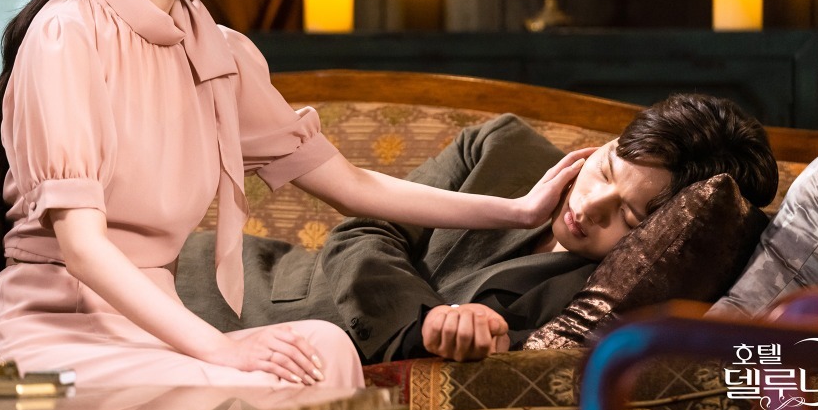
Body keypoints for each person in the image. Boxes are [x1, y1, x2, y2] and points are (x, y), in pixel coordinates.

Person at [0, 0, 596, 390]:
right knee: (264, 382)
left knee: (327, 348)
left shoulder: (216, 51)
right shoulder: (67, 33)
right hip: (59, 336)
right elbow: (84, 248)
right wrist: (220, 348)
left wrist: (518, 211)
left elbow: (352, 185)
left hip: (157, 333)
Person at [178, 93, 778, 364]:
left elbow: (521, 356)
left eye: (630, 216)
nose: (591, 205)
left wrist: (480, 340)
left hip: (289, 365)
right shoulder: (501, 146)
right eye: (605, 170)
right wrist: (421, 323)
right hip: (233, 287)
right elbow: (365, 229)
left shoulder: (615, 296)